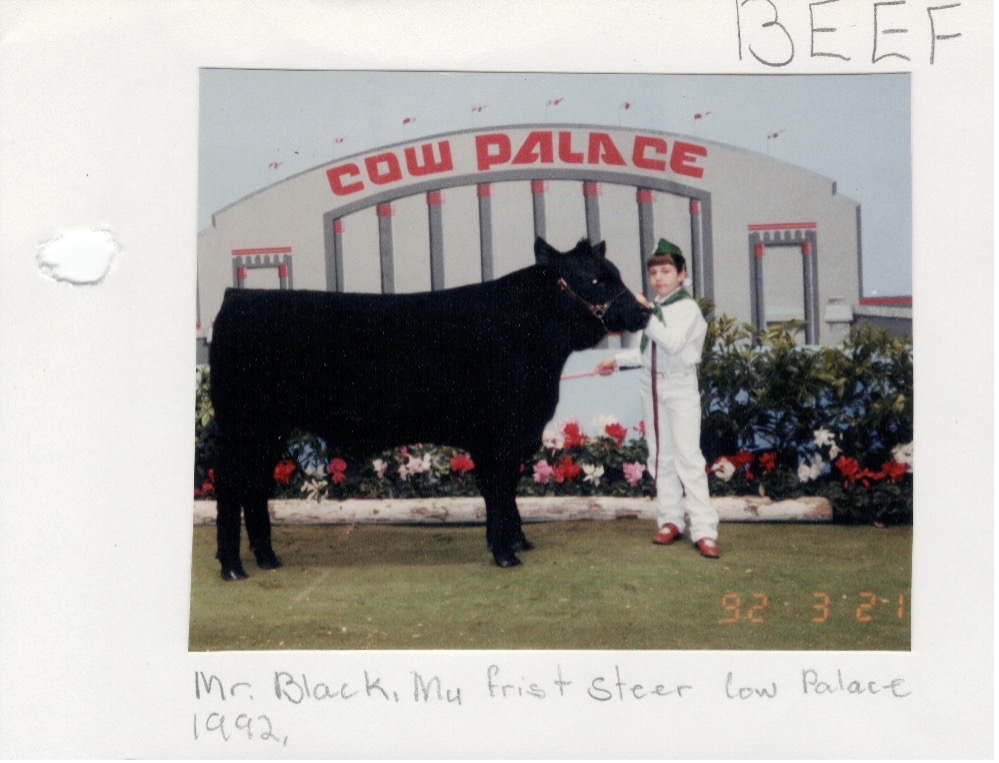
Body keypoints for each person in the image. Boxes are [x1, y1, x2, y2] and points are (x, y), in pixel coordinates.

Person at [595, 238, 720, 559]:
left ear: (682, 274)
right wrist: (616, 361)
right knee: (660, 456)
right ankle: (670, 520)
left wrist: (646, 313)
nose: (658, 278)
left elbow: (673, 343)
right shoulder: (656, 309)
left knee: (688, 458)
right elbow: (645, 352)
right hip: (651, 384)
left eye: (665, 271)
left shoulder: (686, 308)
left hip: (679, 387)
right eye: (653, 273)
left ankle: (704, 530)